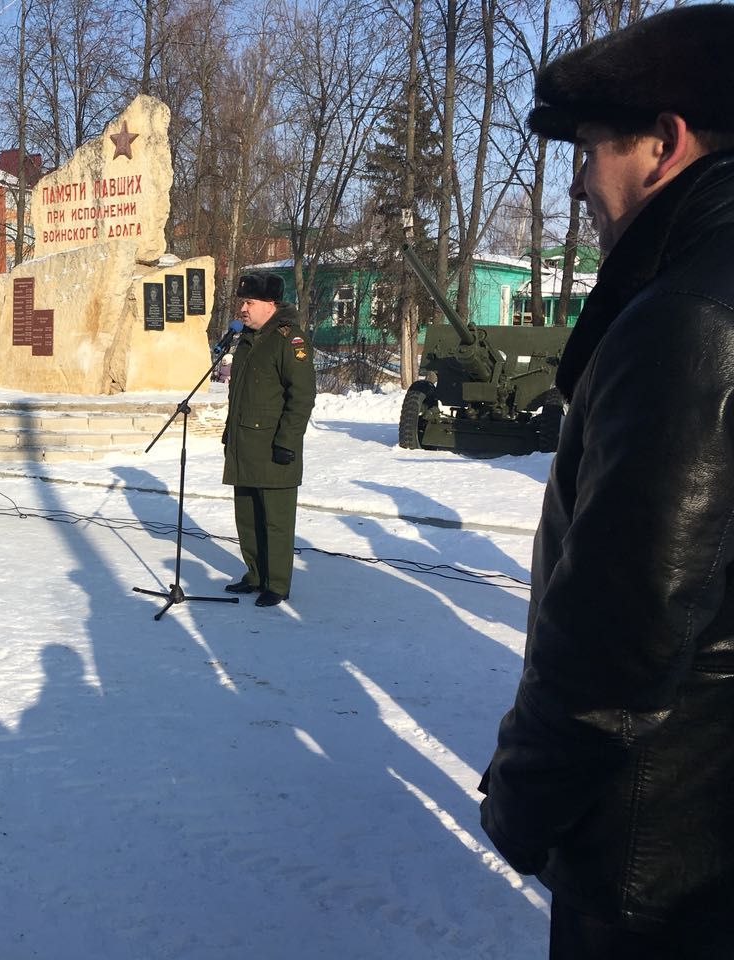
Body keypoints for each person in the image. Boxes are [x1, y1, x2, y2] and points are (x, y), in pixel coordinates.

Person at [479, 6, 734, 956]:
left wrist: (523, 793)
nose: (582, 181)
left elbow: (623, 631)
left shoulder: (690, 320)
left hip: (656, 848)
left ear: (664, 143)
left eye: (590, 148)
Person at [221, 272, 315, 608]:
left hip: (275, 448)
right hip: (244, 444)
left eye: (249, 303)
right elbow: (242, 394)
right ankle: (255, 574)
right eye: (241, 302)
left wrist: (287, 442)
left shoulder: (289, 340)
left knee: (275, 520)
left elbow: (302, 396)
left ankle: (277, 583)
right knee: (247, 516)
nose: (242, 309)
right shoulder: (247, 339)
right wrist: (230, 432)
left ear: (270, 305)